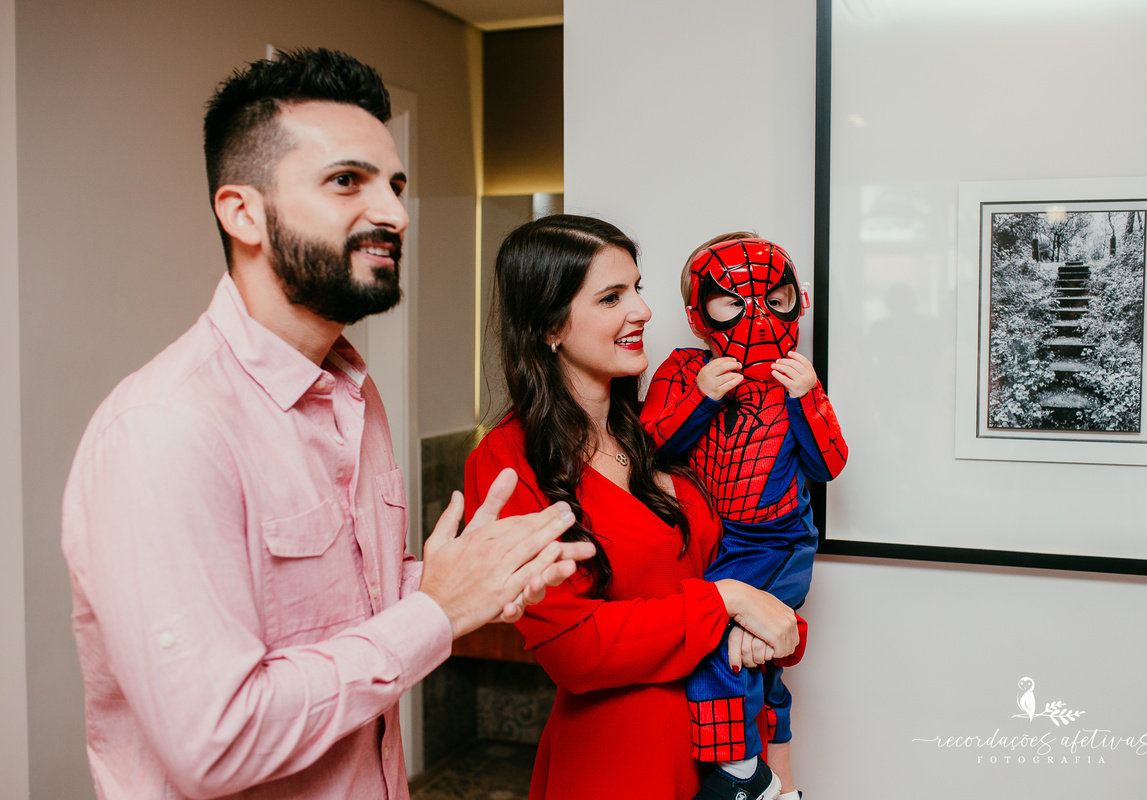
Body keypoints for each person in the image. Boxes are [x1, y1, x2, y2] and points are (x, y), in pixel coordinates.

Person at [61, 48, 593, 800]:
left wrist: (462, 580)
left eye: (396, 185)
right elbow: (219, 741)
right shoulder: (165, 430)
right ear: (242, 212)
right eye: (348, 181)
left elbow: (330, 612)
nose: (395, 213)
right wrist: (436, 613)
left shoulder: (353, 394)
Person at [463, 215, 802, 800]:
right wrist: (728, 602)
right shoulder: (507, 462)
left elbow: (756, 559)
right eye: (612, 296)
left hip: (728, 752)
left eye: (638, 288)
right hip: (621, 763)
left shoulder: (665, 425)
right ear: (549, 326)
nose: (642, 310)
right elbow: (575, 649)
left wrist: (772, 624)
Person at [639, 233, 849, 800]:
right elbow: (649, 448)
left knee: (714, 638)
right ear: (697, 313)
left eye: (771, 299)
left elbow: (828, 465)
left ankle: (739, 775)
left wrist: (809, 397)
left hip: (777, 543)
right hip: (713, 539)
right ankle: (779, 786)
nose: (755, 315)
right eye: (731, 302)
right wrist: (702, 399)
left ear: (794, 301)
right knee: (757, 662)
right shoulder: (683, 372)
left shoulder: (793, 377)